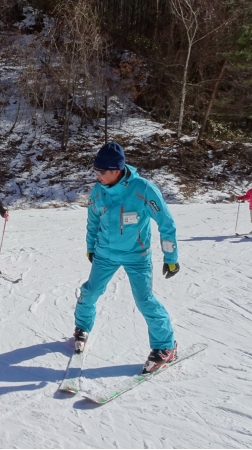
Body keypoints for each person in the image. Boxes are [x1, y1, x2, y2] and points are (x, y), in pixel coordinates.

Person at [75, 142, 180, 374]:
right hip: (104, 254)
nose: (97, 176)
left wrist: (170, 255)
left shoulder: (143, 189)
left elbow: (166, 222)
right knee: (90, 292)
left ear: (117, 170)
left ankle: (166, 346)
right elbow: (92, 221)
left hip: (136, 256)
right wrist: (90, 246)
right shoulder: (98, 190)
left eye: (101, 172)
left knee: (145, 301)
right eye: (95, 171)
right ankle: (82, 327)